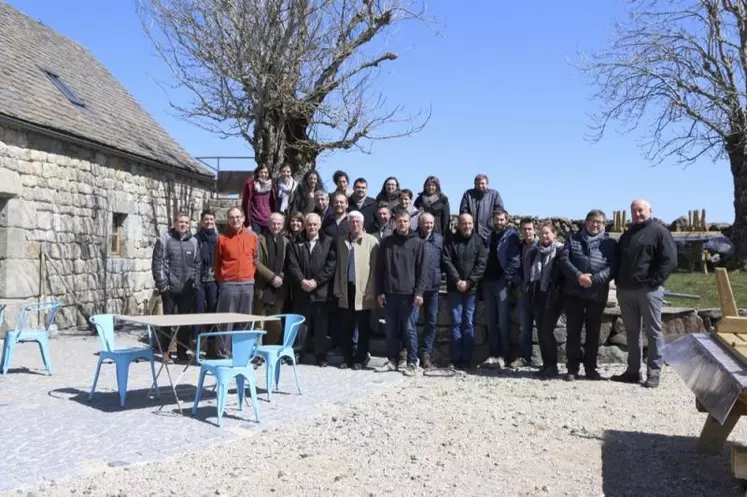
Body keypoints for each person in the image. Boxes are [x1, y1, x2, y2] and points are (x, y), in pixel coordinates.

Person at [611, 199, 677, 388]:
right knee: (632, 332)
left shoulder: (660, 232)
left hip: (649, 291)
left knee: (654, 332)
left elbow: (670, 261)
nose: (637, 214)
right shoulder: (627, 235)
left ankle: (654, 373)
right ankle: (633, 371)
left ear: (650, 210)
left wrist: (653, 282)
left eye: (640, 210)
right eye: (634, 211)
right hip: (626, 291)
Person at [558, 210, 617, 381]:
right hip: (574, 292)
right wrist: (578, 276)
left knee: (594, 332)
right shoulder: (573, 239)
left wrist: (595, 279)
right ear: (586, 222)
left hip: (596, 293)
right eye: (592, 221)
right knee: (573, 331)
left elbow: (613, 266)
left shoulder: (610, 243)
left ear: (603, 225)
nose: (595, 224)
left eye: (599, 222)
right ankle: (572, 368)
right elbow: (564, 260)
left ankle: (591, 368)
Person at [375, 210, 427, 377]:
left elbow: (422, 271)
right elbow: (380, 270)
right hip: (390, 293)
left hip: (409, 294)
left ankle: (412, 362)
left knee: (409, 329)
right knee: (390, 329)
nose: (402, 224)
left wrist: (419, 292)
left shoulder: (418, 243)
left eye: (405, 221)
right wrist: (380, 292)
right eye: (399, 221)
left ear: (409, 223)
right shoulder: (386, 243)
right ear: (394, 222)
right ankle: (392, 360)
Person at [286, 213, 337, 367]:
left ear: (320, 225)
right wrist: (302, 281)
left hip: (321, 291)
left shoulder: (328, 242)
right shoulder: (295, 242)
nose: (312, 227)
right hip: (301, 290)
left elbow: (331, 265)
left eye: (315, 224)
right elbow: (292, 264)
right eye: (309, 224)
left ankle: (320, 356)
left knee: (321, 326)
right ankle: (298, 353)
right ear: (304, 225)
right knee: (302, 324)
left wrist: (316, 281)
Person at [152, 211, 201, 362]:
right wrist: (162, 286)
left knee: (184, 323)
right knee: (167, 322)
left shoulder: (193, 241)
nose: (183, 225)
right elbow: (157, 263)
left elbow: (197, 264)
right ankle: (166, 353)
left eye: (186, 222)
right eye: (181, 222)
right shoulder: (164, 239)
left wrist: (195, 282)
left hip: (186, 290)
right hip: (169, 289)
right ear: (174, 223)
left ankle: (182, 352)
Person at [333, 211, 379, 369]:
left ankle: (360, 358)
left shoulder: (372, 241)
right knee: (346, 326)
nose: (354, 224)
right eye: (351, 221)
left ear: (363, 223)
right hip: (346, 288)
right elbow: (338, 266)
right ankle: (347, 357)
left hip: (364, 290)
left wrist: (372, 289)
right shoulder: (341, 241)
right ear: (347, 223)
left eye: (357, 221)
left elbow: (375, 268)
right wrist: (337, 288)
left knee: (363, 326)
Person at [442, 213, 487, 369]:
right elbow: (446, 261)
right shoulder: (451, 241)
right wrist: (457, 281)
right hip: (455, 289)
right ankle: (455, 359)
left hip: (472, 290)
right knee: (456, 323)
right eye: (463, 223)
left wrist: (469, 282)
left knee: (468, 323)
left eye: (469, 223)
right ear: (458, 225)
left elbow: (481, 265)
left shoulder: (479, 242)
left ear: (473, 224)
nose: (467, 226)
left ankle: (467, 359)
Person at [214, 207, 260, 353]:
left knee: (244, 319)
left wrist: (249, 276)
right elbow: (217, 263)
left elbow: (255, 259)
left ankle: (241, 352)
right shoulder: (222, 239)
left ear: (243, 218)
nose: (235, 220)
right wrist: (224, 279)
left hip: (247, 284)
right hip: (229, 284)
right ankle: (224, 352)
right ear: (228, 220)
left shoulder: (253, 237)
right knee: (227, 320)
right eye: (232, 217)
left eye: (238, 217)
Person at [481, 208, 521, 369]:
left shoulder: (511, 237)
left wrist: (507, 277)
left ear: (507, 220)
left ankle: (503, 355)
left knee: (502, 322)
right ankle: (493, 354)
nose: (498, 222)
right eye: (496, 219)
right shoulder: (489, 236)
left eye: (501, 219)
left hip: (502, 282)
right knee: (490, 321)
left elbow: (515, 260)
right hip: (487, 282)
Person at [526, 222, 565, 379]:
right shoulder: (535, 251)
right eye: (542, 233)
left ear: (554, 234)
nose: (544, 236)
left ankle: (553, 365)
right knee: (541, 333)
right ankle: (546, 365)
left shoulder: (561, 251)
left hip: (552, 298)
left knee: (547, 332)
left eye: (547, 233)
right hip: (538, 296)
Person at [254, 213, 289, 345]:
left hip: (279, 289)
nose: (276, 226)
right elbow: (256, 261)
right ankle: (257, 352)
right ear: (268, 224)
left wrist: (280, 277)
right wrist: (271, 276)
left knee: (275, 323)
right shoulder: (259, 239)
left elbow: (288, 264)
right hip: (263, 287)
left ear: (283, 225)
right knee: (259, 323)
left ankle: (270, 350)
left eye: (279, 223)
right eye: (273, 223)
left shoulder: (286, 242)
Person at [417, 213, 443, 370]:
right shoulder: (413, 238)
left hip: (433, 287)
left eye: (431, 223)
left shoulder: (439, 239)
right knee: (410, 322)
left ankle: (426, 354)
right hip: (415, 288)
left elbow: (444, 260)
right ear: (420, 224)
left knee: (431, 322)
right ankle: (409, 352)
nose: (428, 226)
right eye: (426, 223)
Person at [195, 209, 220, 357]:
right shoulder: (196, 239)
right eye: (206, 219)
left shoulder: (218, 239)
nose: (209, 222)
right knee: (198, 314)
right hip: (199, 281)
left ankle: (211, 348)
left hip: (213, 282)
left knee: (212, 314)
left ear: (214, 221)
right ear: (202, 221)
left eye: (211, 219)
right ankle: (197, 346)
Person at [516, 217, 538, 367]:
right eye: (524, 229)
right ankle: (525, 357)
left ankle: (546, 360)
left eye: (530, 229)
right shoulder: (520, 246)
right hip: (524, 292)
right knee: (524, 327)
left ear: (534, 229)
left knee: (543, 328)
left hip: (539, 293)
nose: (527, 232)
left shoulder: (541, 245)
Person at [459, 174, 505, 243]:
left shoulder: (495, 195)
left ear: (487, 184)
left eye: (482, 183)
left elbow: (499, 212)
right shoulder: (468, 194)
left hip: (489, 233)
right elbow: (463, 212)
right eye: (478, 184)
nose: (480, 186)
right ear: (474, 184)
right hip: (472, 233)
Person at [241, 165, 276, 233]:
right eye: (261, 172)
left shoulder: (272, 185)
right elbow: (245, 203)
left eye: (266, 172)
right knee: (256, 242)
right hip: (255, 220)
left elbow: (273, 203)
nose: (263, 174)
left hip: (268, 220)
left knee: (267, 242)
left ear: (268, 174)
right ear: (257, 173)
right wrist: (247, 222)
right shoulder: (251, 184)